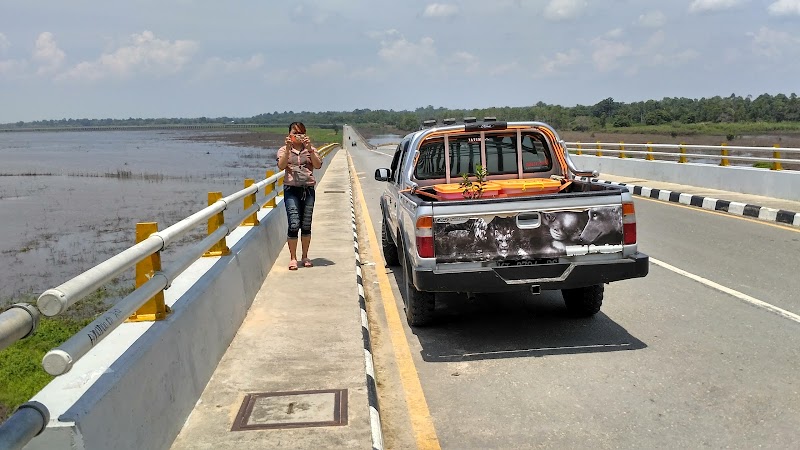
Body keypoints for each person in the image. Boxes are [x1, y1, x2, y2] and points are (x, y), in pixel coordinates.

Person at [276, 121, 323, 270]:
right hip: (291, 189)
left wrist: (310, 149)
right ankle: (293, 258)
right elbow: (281, 166)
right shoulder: (283, 150)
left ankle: (305, 256)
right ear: (289, 135)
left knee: (306, 224)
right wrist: (288, 149)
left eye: (301, 133)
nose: (298, 136)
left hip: (308, 189)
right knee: (294, 223)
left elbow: (318, 165)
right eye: (295, 133)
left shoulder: (311, 149)